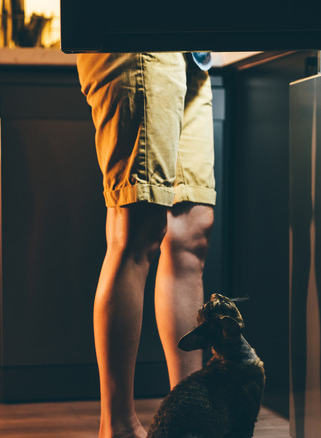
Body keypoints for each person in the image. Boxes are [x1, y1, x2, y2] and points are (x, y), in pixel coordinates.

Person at [76, 52, 216, 438]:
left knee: (191, 229)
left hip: (192, 52)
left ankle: (188, 421)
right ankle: (117, 426)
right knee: (139, 224)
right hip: (136, 37)